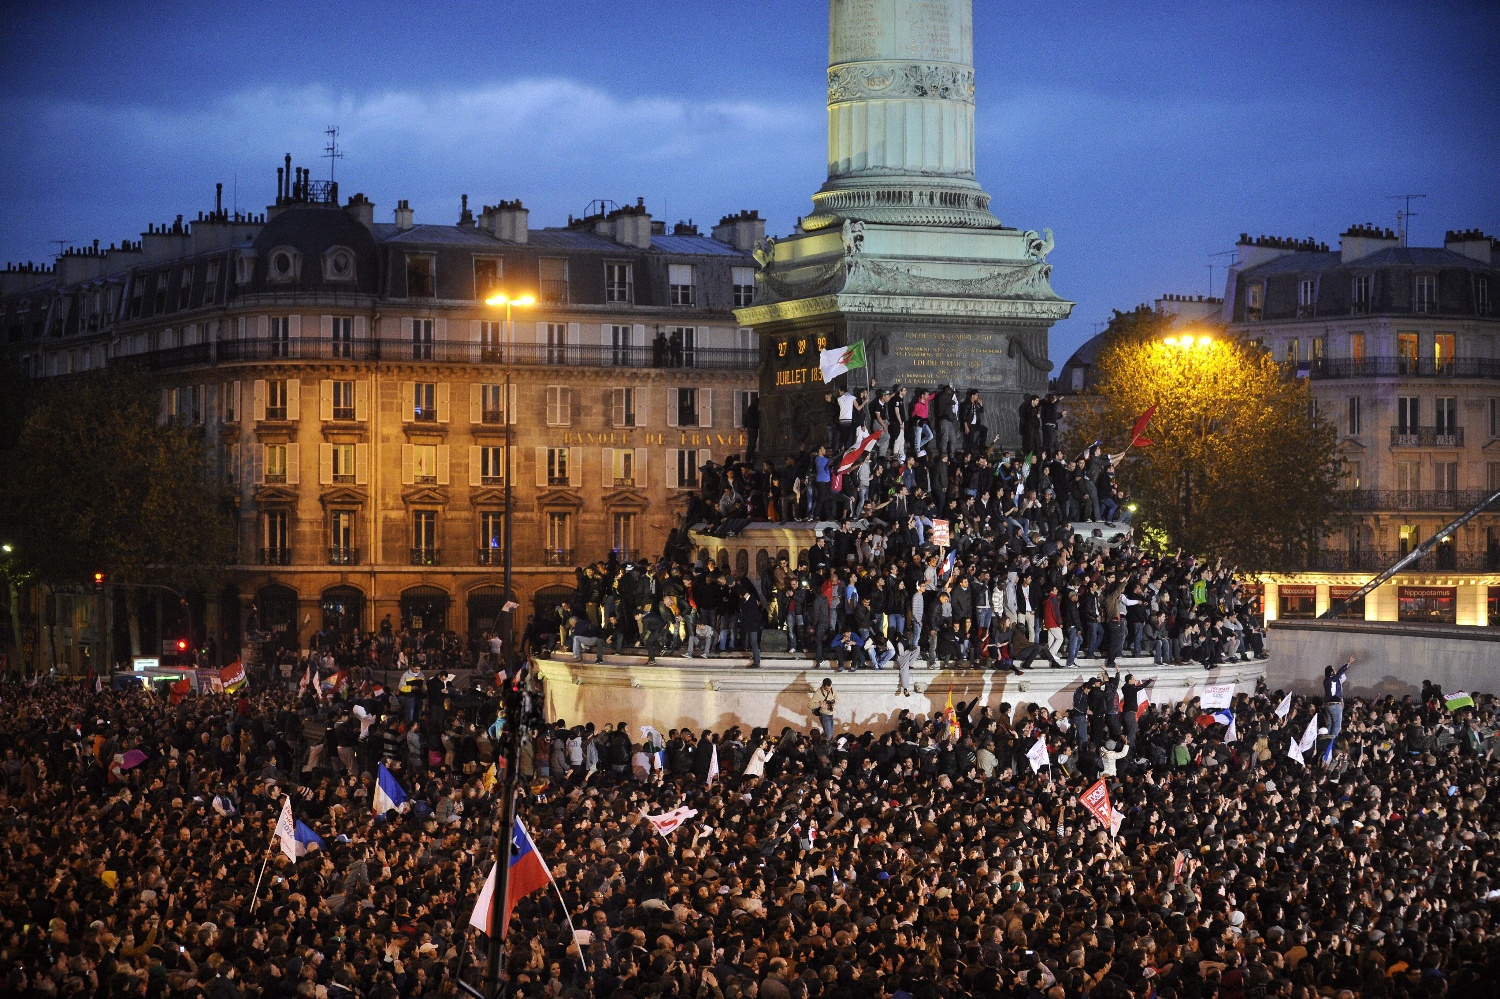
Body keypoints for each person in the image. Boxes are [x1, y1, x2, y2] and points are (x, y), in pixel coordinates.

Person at [1324, 655, 1352, 748]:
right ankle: (1332, 743)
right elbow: (1340, 672)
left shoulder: (1326, 680)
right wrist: (1348, 663)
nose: (1335, 671)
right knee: (1337, 725)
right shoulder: (1332, 679)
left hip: (1328, 704)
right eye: (1333, 670)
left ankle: (1326, 740)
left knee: (1331, 723)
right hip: (1334, 705)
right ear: (1331, 672)